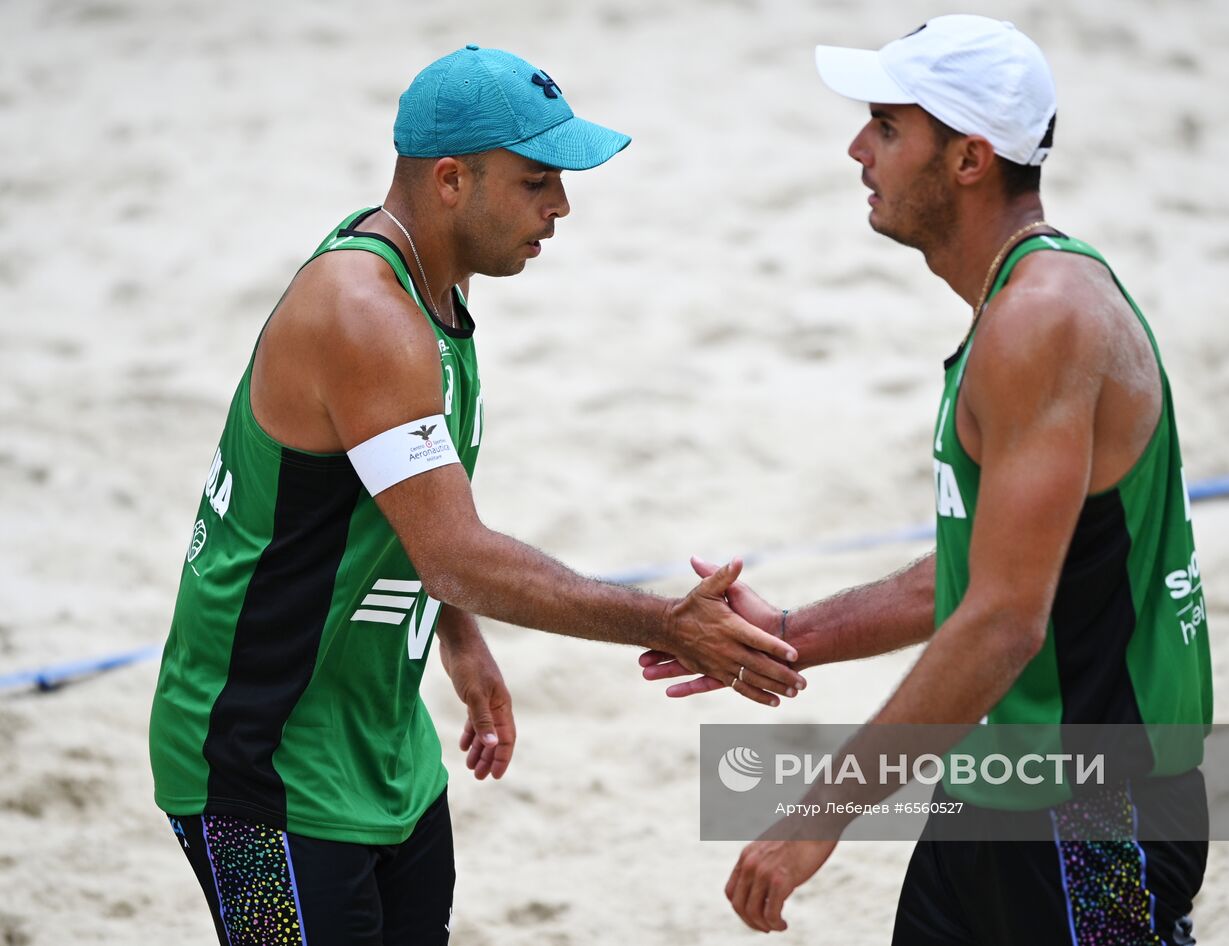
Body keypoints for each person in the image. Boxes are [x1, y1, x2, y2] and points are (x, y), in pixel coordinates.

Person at [148, 44, 806, 946]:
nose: (562, 206)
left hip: (383, 748)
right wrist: (665, 623)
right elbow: (453, 550)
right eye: (538, 181)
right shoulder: (364, 310)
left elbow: (408, 506)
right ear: (451, 179)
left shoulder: (435, 293)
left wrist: (459, 635)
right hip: (255, 770)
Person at [640, 15, 1212, 944]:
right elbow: (986, 570)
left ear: (970, 159)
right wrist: (791, 634)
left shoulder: (1045, 321)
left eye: (889, 127)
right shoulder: (1021, 307)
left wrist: (817, 815)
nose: (857, 147)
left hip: (1095, 812)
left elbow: (1003, 620)